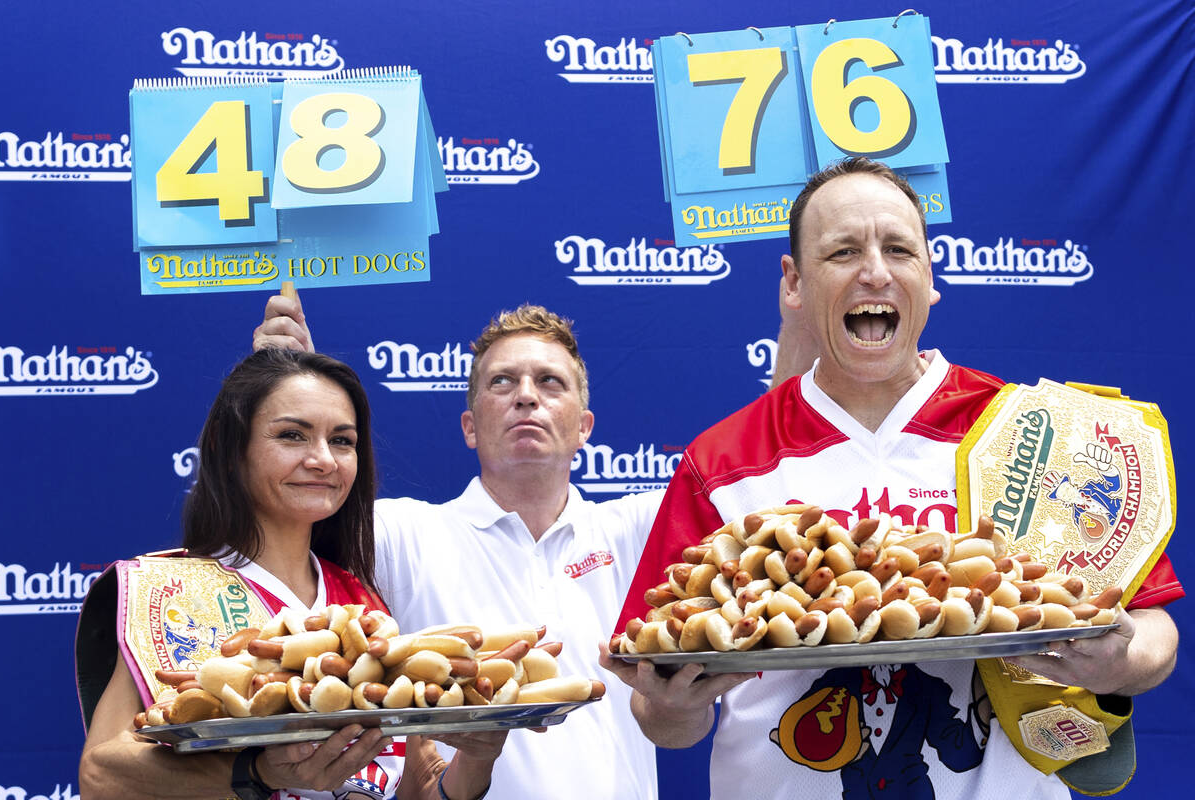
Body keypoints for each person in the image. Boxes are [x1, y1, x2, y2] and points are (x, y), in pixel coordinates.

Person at [602, 157, 1182, 799]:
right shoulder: (722, 461)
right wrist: (675, 705)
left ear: (930, 276)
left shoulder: (1030, 432)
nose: (874, 272)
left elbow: (1155, 631)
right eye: (843, 251)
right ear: (794, 283)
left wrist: (1121, 659)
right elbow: (664, 719)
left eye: (899, 250)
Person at [255, 303, 662, 799]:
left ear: (584, 427)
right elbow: (296, 493)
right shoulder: (401, 532)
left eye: (551, 382)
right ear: (469, 427)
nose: (527, 397)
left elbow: (768, 475)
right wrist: (289, 382)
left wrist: (791, 322)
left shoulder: (638, 530)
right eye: (502, 382)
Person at [78, 349, 503, 800]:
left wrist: (478, 757)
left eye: (342, 440)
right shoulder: (170, 592)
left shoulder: (363, 607)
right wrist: (258, 772)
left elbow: (414, 786)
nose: (323, 459)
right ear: (228, 450)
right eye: (292, 435)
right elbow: (101, 777)